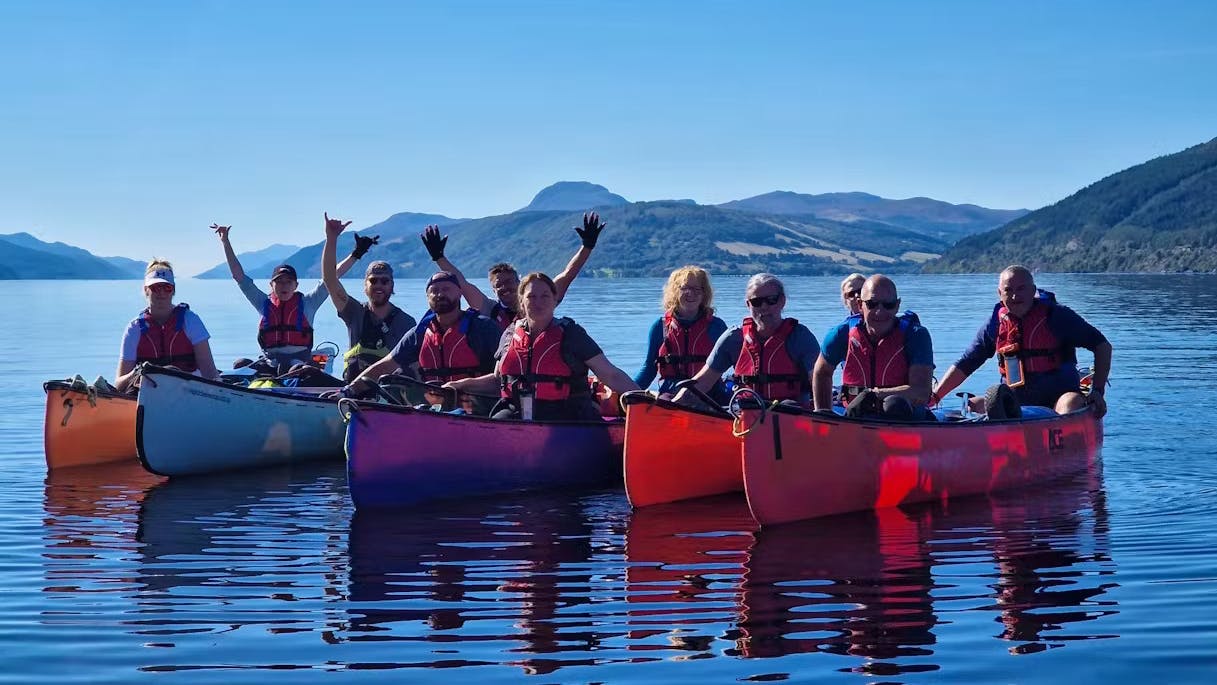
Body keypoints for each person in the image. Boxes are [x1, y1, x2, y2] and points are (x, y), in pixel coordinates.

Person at [445, 272, 640, 421]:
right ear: (521, 300)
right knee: (493, 425)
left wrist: (644, 398)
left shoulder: (572, 334)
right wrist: (459, 385)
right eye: (531, 297)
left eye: (545, 296)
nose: (538, 302)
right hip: (516, 413)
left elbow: (610, 374)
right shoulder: (510, 334)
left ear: (555, 300)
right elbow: (497, 380)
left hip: (567, 416)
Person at [931, 265, 1111, 418]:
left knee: (1070, 404)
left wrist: (1098, 391)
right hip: (1015, 399)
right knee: (972, 406)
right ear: (999, 294)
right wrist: (935, 396)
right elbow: (967, 361)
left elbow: (1102, 345)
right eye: (1008, 291)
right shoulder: (996, 322)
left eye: (1021, 289)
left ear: (1033, 291)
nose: (1015, 297)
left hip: (1060, 397)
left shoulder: (1057, 316)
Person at [212, 222, 361, 373]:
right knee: (240, 364)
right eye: (279, 282)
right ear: (271, 285)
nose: (284, 286)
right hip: (271, 363)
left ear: (296, 285)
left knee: (290, 369)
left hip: (299, 364)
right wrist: (225, 241)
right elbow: (239, 276)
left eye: (288, 282)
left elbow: (332, 276)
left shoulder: (309, 302)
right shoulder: (262, 303)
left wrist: (356, 254)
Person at [340, 271, 501, 412]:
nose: (439, 294)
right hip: (436, 407)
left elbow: (501, 378)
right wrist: (348, 391)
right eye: (434, 291)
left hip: (479, 405)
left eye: (446, 289)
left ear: (459, 292)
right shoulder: (420, 333)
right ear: (427, 298)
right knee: (390, 384)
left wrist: (460, 385)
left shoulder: (483, 328)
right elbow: (384, 366)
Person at [419, 212, 606, 331]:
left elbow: (567, 276)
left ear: (519, 284)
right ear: (493, 290)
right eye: (498, 285)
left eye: (509, 282)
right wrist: (439, 258)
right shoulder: (488, 309)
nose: (505, 288)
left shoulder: (539, 300)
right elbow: (462, 284)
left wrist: (587, 247)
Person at [674, 273, 820, 407]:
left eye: (771, 300)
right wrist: (673, 404)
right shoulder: (733, 338)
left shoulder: (800, 337)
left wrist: (823, 414)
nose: (764, 307)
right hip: (746, 415)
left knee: (788, 406)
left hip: (791, 415)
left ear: (782, 301)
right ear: (748, 305)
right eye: (756, 302)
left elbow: (819, 381)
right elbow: (702, 381)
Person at [813, 274, 935, 419]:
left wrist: (874, 395)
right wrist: (824, 414)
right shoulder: (841, 334)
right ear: (860, 305)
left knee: (894, 404)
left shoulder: (915, 335)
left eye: (888, 305)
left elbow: (921, 390)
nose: (880, 311)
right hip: (855, 414)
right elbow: (822, 372)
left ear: (897, 306)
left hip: (905, 416)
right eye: (872, 304)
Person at [321, 213, 417, 381]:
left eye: (384, 281)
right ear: (365, 286)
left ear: (392, 286)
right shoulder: (353, 311)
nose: (379, 285)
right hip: (351, 391)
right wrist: (331, 238)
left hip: (388, 394)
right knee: (304, 371)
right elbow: (330, 279)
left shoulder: (407, 323)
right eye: (373, 281)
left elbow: (414, 366)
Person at [115, 260, 219, 393]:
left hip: (189, 393)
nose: (162, 293)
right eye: (155, 287)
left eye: (167, 288)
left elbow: (210, 373)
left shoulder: (190, 321)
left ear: (173, 291)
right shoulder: (134, 328)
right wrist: (138, 372)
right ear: (146, 290)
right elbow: (119, 385)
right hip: (148, 393)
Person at [633, 266, 728, 399]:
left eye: (697, 289)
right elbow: (649, 370)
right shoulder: (660, 327)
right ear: (675, 292)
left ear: (704, 293)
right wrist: (628, 392)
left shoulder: (717, 326)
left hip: (710, 394)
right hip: (671, 394)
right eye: (685, 288)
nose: (691, 293)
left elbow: (738, 364)